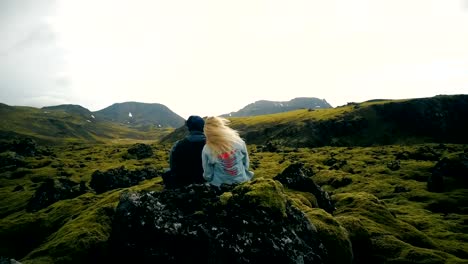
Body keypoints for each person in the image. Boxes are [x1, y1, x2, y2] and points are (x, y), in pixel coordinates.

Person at [202, 116, 254, 186]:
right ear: (222, 127)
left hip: (220, 185)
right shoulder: (239, 141)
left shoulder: (207, 149)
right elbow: (246, 163)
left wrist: (209, 179)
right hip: (241, 181)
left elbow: (208, 174)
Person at [163, 115, 206, 188]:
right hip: (205, 181)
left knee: (167, 172)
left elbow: (173, 167)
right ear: (203, 127)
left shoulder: (177, 145)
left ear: (188, 127)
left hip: (182, 182)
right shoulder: (213, 145)